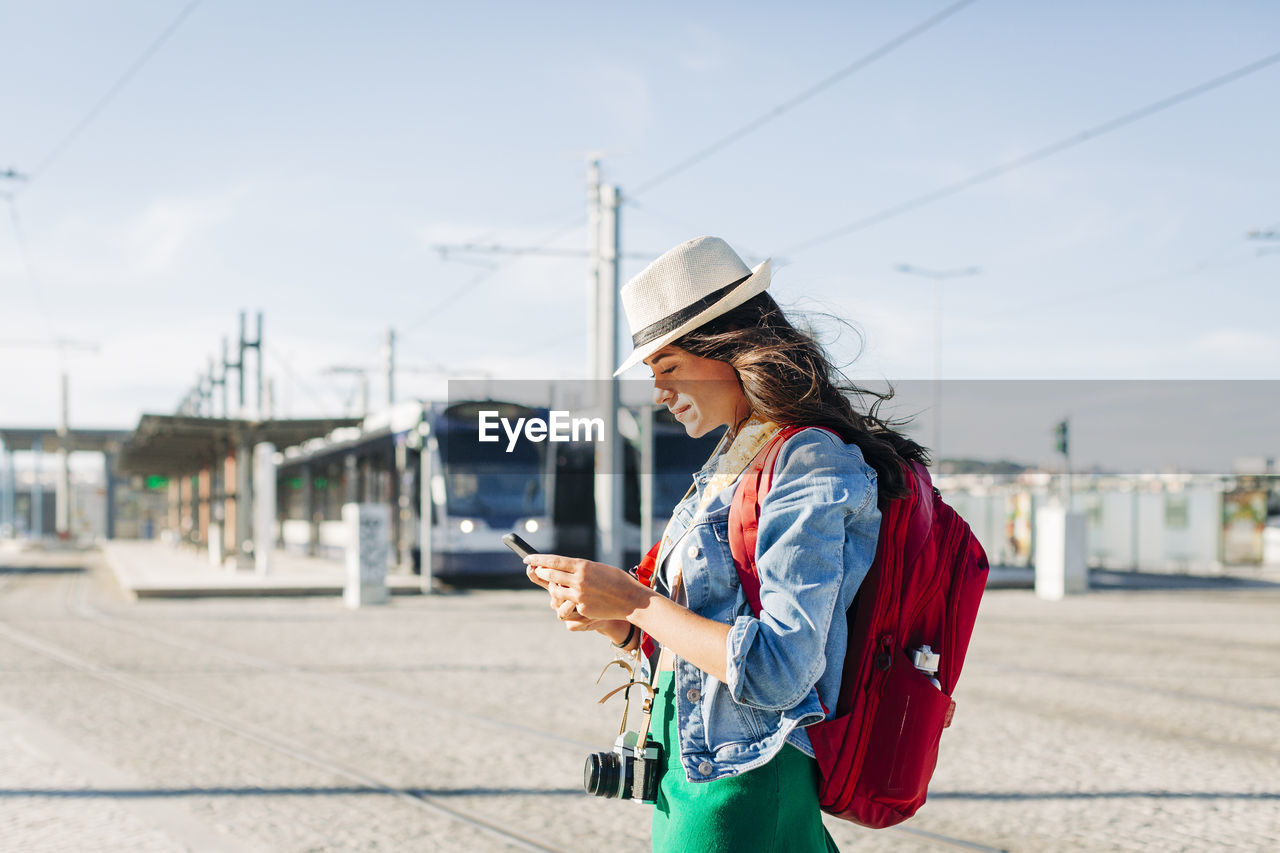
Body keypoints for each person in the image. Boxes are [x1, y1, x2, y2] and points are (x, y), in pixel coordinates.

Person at [525, 236, 929, 852]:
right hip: (693, 772)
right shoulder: (737, 455)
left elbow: (778, 669)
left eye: (667, 366)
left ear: (730, 349)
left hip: (741, 788)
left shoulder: (807, 458)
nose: (657, 391)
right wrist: (620, 623)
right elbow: (711, 631)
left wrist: (635, 602)